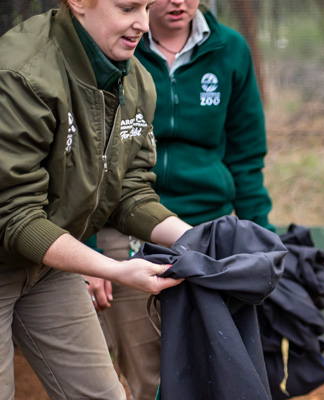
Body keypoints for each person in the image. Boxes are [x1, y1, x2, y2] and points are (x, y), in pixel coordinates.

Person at [0, 0, 193, 399]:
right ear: (79, 3)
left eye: (145, 6)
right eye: (127, 8)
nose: (142, 23)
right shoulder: (20, 73)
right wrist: (114, 269)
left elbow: (129, 190)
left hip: (45, 267)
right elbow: (15, 215)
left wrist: (197, 238)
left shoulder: (135, 79)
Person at [85, 0, 275, 398]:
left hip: (208, 237)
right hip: (125, 234)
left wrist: (262, 242)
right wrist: (90, 253)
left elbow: (246, 155)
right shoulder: (114, 45)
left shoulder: (231, 50)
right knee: (149, 381)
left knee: (212, 373)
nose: (178, 2)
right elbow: (83, 162)